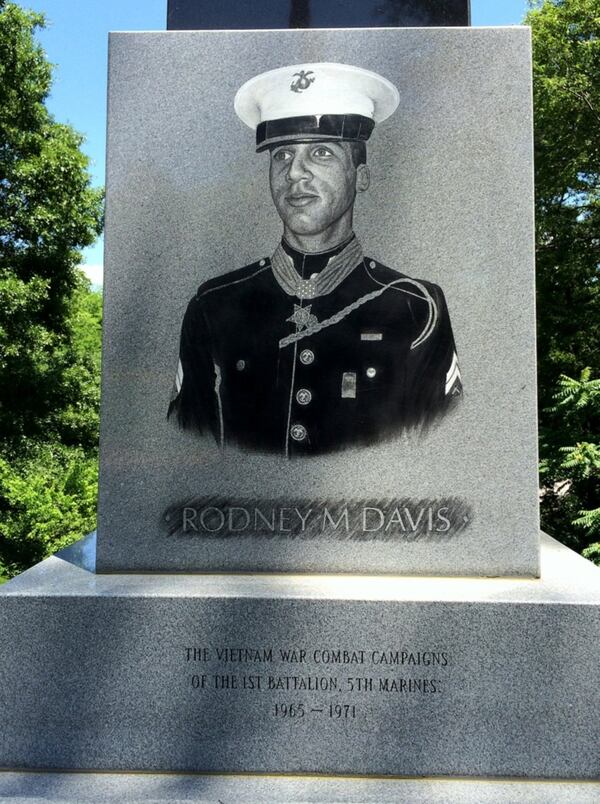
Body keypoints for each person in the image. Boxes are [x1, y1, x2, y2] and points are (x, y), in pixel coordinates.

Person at [168, 62, 462, 457]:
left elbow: (442, 455)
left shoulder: (415, 307)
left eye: (321, 153)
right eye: (282, 155)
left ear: (360, 176)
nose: (295, 173)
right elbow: (186, 456)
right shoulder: (214, 305)